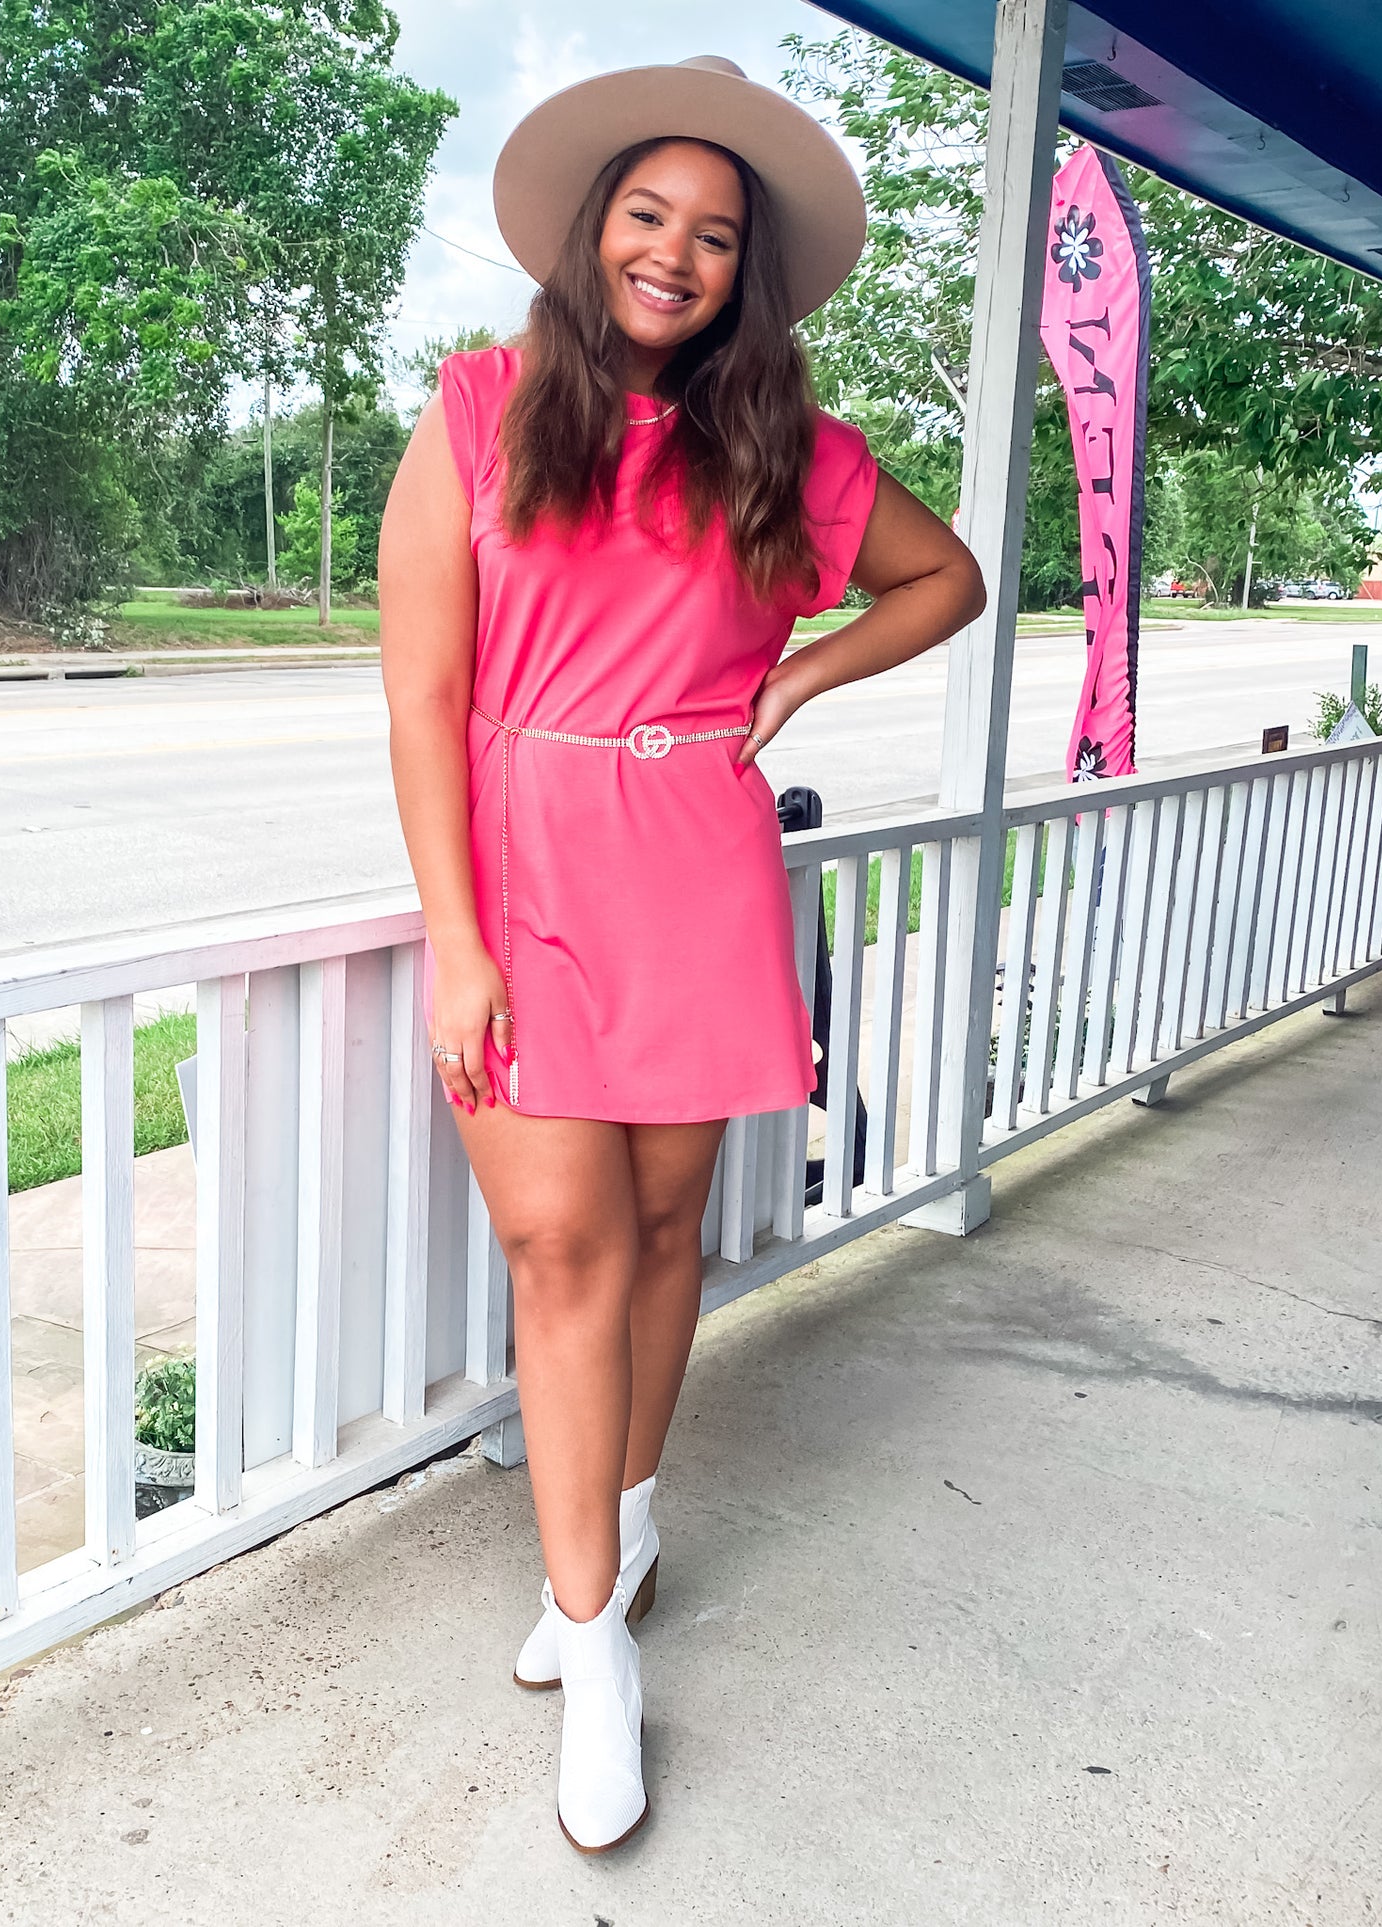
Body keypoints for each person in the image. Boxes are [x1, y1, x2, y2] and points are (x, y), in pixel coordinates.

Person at [378, 54, 985, 1855]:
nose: (674, 252)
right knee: (560, 1242)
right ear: (594, 233)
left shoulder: (784, 446)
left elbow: (944, 578)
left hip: (697, 866)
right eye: (648, 215)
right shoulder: (480, 409)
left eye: (714, 234)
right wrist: (456, 941)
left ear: (743, 273)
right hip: (523, 867)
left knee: (659, 1236)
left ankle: (623, 1534)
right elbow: (420, 698)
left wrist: (799, 673)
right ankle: (596, 1649)